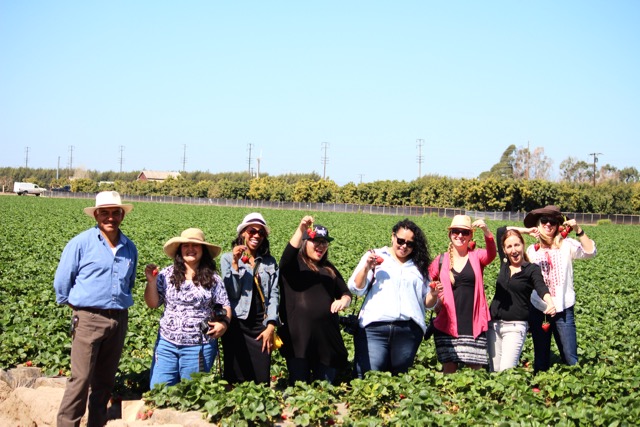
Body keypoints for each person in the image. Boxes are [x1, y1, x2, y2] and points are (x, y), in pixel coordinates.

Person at [54, 191, 138, 427]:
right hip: (88, 319)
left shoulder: (129, 247)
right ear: (96, 215)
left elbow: (129, 283)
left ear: (122, 215)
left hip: (118, 319)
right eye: (104, 213)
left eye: (115, 213)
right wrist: (78, 307)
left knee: (104, 382)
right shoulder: (81, 243)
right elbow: (62, 281)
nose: (110, 217)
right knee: (80, 380)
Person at [348, 219, 442, 378]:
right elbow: (356, 289)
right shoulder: (375, 256)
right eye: (400, 241)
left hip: (408, 331)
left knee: (400, 378)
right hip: (374, 328)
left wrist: (433, 294)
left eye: (410, 244)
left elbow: (427, 304)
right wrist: (366, 268)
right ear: (393, 236)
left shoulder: (419, 265)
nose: (404, 246)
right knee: (368, 375)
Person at [144, 228, 231, 388]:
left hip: (199, 346)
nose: (190, 249)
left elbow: (225, 305)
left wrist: (223, 324)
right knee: (158, 390)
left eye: (195, 245)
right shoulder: (166, 274)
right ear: (180, 250)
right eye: (186, 245)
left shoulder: (213, 278)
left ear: (203, 250)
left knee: (192, 394)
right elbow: (153, 304)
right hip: (167, 344)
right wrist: (151, 282)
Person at [278, 216, 351, 385]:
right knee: (299, 386)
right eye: (316, 241)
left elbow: (345, 293)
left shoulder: (329, 268)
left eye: (324, 242)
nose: (321, 246)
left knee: (324, 389)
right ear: (305, 242)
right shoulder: (293, 265)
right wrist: (301, 229)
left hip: (326, 339)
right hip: (298, 339)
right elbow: (287, 256)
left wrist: (344, 300)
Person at [522, 205, 596, 373]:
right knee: (541, 359)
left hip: (563, 308)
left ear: (558, 225)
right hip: (539, 309)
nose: (548, 224)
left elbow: (590, 252)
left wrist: (578, 230)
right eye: (544, 221)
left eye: (553, 222)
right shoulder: (532, 250)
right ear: (538, 224)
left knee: (570, 356)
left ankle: (574, 383)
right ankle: (540, 385)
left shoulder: (566, 245)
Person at [428, 215, 497, 374]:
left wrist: (486, 231)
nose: (460, 235)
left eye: (465, 232)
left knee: (475, 369)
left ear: (470, 235)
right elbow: (426, 280)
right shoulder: (441, 259)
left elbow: (491, 254)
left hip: (473, 320)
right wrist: (436, 294)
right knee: (449, 369)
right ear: (450, 234)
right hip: (447, 321)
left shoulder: (477, 256)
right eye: (456, 231)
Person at [220, 213, 280, 384]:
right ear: (243, 233)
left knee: (261, 377)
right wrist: (235, 263)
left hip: (260, 325)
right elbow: (231, 293)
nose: (256, 236)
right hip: (236, 324)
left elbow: (274, 294)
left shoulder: (269, 262)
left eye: (261, 233)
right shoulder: (227, 258)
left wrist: (271, 325)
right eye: (252, 231)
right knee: (234, 377)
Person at [486, 226, 556, 372]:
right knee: (494, 371)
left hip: (515, 327)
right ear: (504, 250)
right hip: (494, 325)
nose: (514, 250)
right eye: (509, 246)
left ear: (523, 245)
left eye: (517, 245)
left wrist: (549, 302)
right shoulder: (505, 264)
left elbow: (541, 287)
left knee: (506, 371)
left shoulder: (531, 269)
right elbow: (500, 231)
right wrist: (526, 231)